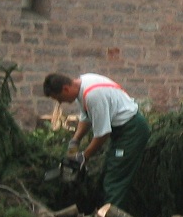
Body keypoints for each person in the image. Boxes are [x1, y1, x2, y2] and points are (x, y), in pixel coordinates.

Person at [42, 72, 150, 209]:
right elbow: (86, 118)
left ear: (65, 89)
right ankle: (107, 213)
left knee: (114, 180)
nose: (60, 102)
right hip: (121, 131)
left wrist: (83, 156)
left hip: (132, 131)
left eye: (59, 98)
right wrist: (75, 140)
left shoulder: (93, 95)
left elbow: (102, 134)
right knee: (107, 173)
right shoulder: (83, 84)